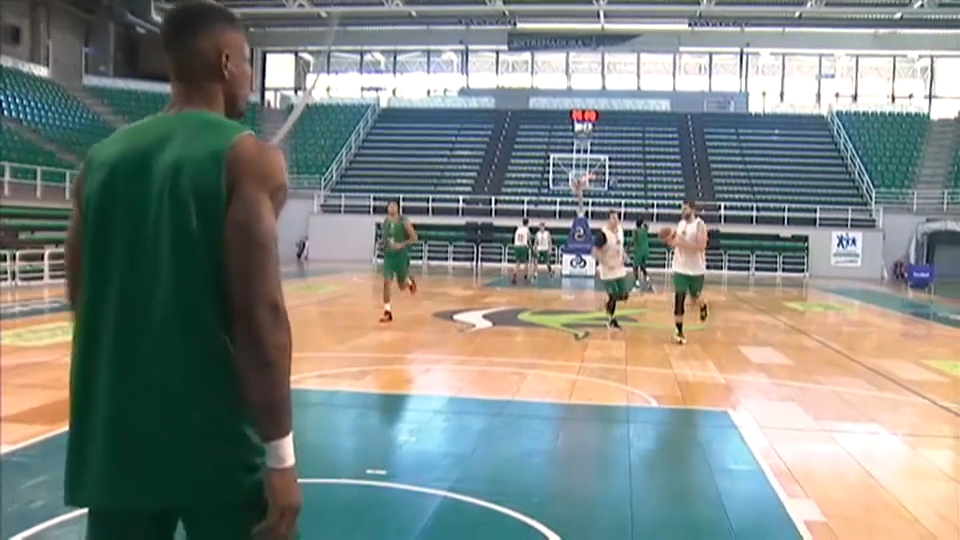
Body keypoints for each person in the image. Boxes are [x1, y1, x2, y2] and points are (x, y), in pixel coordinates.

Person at [63, 2, 301, 539]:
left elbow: (80, 295)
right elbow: (260, 316)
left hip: (115, 443)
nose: (247, 77)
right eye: (245, 62)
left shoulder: (98, 162)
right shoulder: (248, 158)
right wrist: (281, 457)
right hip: (214, 446)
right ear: (224, 63)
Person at [664, 199, 709, 345]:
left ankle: (703, 305)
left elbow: (701, 246)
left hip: (696, 269)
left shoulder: (699, 225)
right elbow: (676, 241)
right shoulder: (681, 224)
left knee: (695, 299)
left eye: (685, 209)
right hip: (680, 268)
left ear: (692, 210)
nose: (682, 212)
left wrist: (680, 243)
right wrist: (670, 241)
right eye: (682, 209)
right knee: (679, 299)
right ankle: (679, 331)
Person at [380, 200, 418, 323]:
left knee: (401, 286)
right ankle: (387, 311)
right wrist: (383, 245)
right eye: (389, 206)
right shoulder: (385, 222)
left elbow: (414, 238)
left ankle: (409, 282)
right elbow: (385, 238)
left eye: (393, 206)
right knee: (386, 282)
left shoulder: (403, 221)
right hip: (389, 257)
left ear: (397, 208)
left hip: (401, 257)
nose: (390, 208)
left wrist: (401, 245)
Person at [593, 210, 631, 329]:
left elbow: (620, 246)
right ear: (608, 220)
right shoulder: (603, 234)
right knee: (613, 295)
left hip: (619, 268)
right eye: (613, 218)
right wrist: (604, 262)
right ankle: (610, 319)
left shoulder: (620, 230)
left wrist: (624, 255)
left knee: (624, 295)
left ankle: (607, 303)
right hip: (607, 270)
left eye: (617, 218)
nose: (615, 221)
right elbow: (594, 252)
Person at [631, 218, 651, 291]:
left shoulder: (635, 231)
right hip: (646, 251)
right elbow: (647, 225)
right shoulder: (645, 229)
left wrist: (627, 248)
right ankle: (647, 278)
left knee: (635, 267)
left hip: (639, 251)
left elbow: (633, 240)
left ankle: (637, 282)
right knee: (642, 266)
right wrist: (644, 223)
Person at [511, 218, 531, 284]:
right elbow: (528, 240)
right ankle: (525, 276)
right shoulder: (527, 230)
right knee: (526, 262)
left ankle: (514, 274)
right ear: (527, 223)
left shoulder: (518, 229)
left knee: (517, 263)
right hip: (523, 246)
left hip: (517, 246)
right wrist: (531, 247)